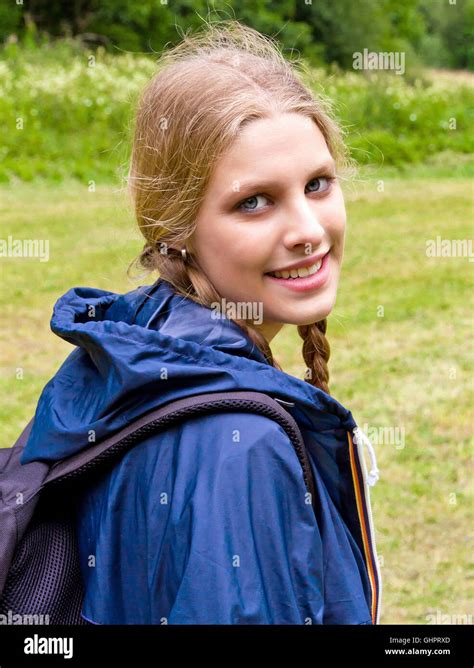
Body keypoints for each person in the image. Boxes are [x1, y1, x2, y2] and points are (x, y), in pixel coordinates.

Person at [19, 20, 381, 624]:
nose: (309, 232)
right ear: (177, 229)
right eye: (253, 202)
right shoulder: (243, 447)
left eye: (317, 185)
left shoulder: (127, 350)